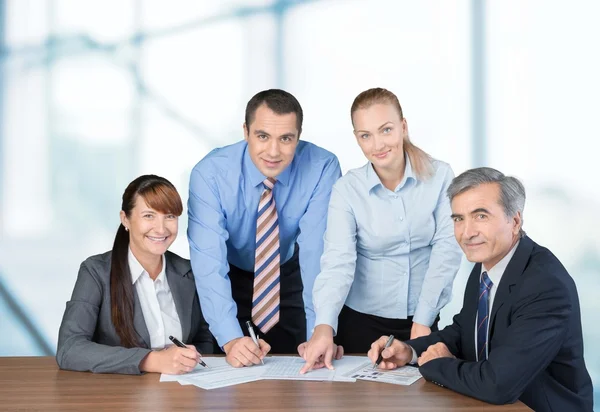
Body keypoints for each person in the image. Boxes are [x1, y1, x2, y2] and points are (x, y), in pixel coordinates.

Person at [367, 167, 594, 411]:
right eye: (458, 219)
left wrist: (435, 364)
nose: (467, 233)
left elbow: (498, 384)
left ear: (515, 221)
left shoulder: (545, 286)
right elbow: (465, 332)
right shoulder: (486, 265)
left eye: (481, 216)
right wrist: (409, 351)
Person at [300, 87, 462, 372]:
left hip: (422, 319)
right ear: (356, 138)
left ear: (403, 127)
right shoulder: (347, 190)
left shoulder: (440, 177)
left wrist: (423, 321)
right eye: (366, 135)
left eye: (386, 130)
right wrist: (324, 326)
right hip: (360, 321)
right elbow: (338, 261)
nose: (377, 144)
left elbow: (446, 251)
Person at [188, 89, 341, 367]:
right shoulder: (209, 174)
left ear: (299, 135)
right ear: (245, 131)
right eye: (262, 136)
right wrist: (230, 338)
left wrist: (320, 329)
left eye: (286, 139)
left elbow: (316, 254)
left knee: (303, 371)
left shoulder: (321, 167)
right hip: (228, 279)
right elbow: (209, 262)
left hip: (290, 275)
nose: (273, 151)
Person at [57, 175, 213, 375]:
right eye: (149, 216)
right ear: (125, 219)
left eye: (170, 216)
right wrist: (150, 361)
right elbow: (69, 349)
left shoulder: (189, 272)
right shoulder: (96, 272)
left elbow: (204, 338)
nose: (161, 228)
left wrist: (189, 358)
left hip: (181, 393)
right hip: (120, 396)